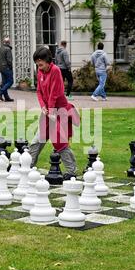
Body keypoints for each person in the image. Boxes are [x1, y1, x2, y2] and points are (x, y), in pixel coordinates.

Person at [28, 47, 80, 180]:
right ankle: (27, 166)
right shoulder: (40, 72)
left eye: (40, 64)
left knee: (60, 142)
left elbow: (55, 93)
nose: (38, 67)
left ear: (48, 61)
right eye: (37, 65)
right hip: (47, 111)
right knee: (37, 139)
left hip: (59, 110)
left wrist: (50, 109)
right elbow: (39, 91)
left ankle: (71, 170)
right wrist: (43, 107)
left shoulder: (55, 70)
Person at [0, 37, 14, 102]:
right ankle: (0, 92)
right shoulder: (8, 49)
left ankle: (6, 97)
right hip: (7, 67)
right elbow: (9, 60)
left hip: (1, 67)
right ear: (8, 42)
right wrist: (11, 67)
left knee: (4, 83)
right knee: (10, 81)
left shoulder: (0, 48)